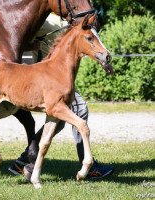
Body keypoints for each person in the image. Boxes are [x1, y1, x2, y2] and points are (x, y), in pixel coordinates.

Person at [8, 14, 114, 179]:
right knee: (79, 111)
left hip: (59, 76)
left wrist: (104, 61)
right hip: (46, 77)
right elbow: (17, 35)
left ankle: (25, 163)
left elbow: (89, 41)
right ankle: (89, 165)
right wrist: (31, 47)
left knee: (57, 122)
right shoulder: (43, 16)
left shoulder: (70, 20)